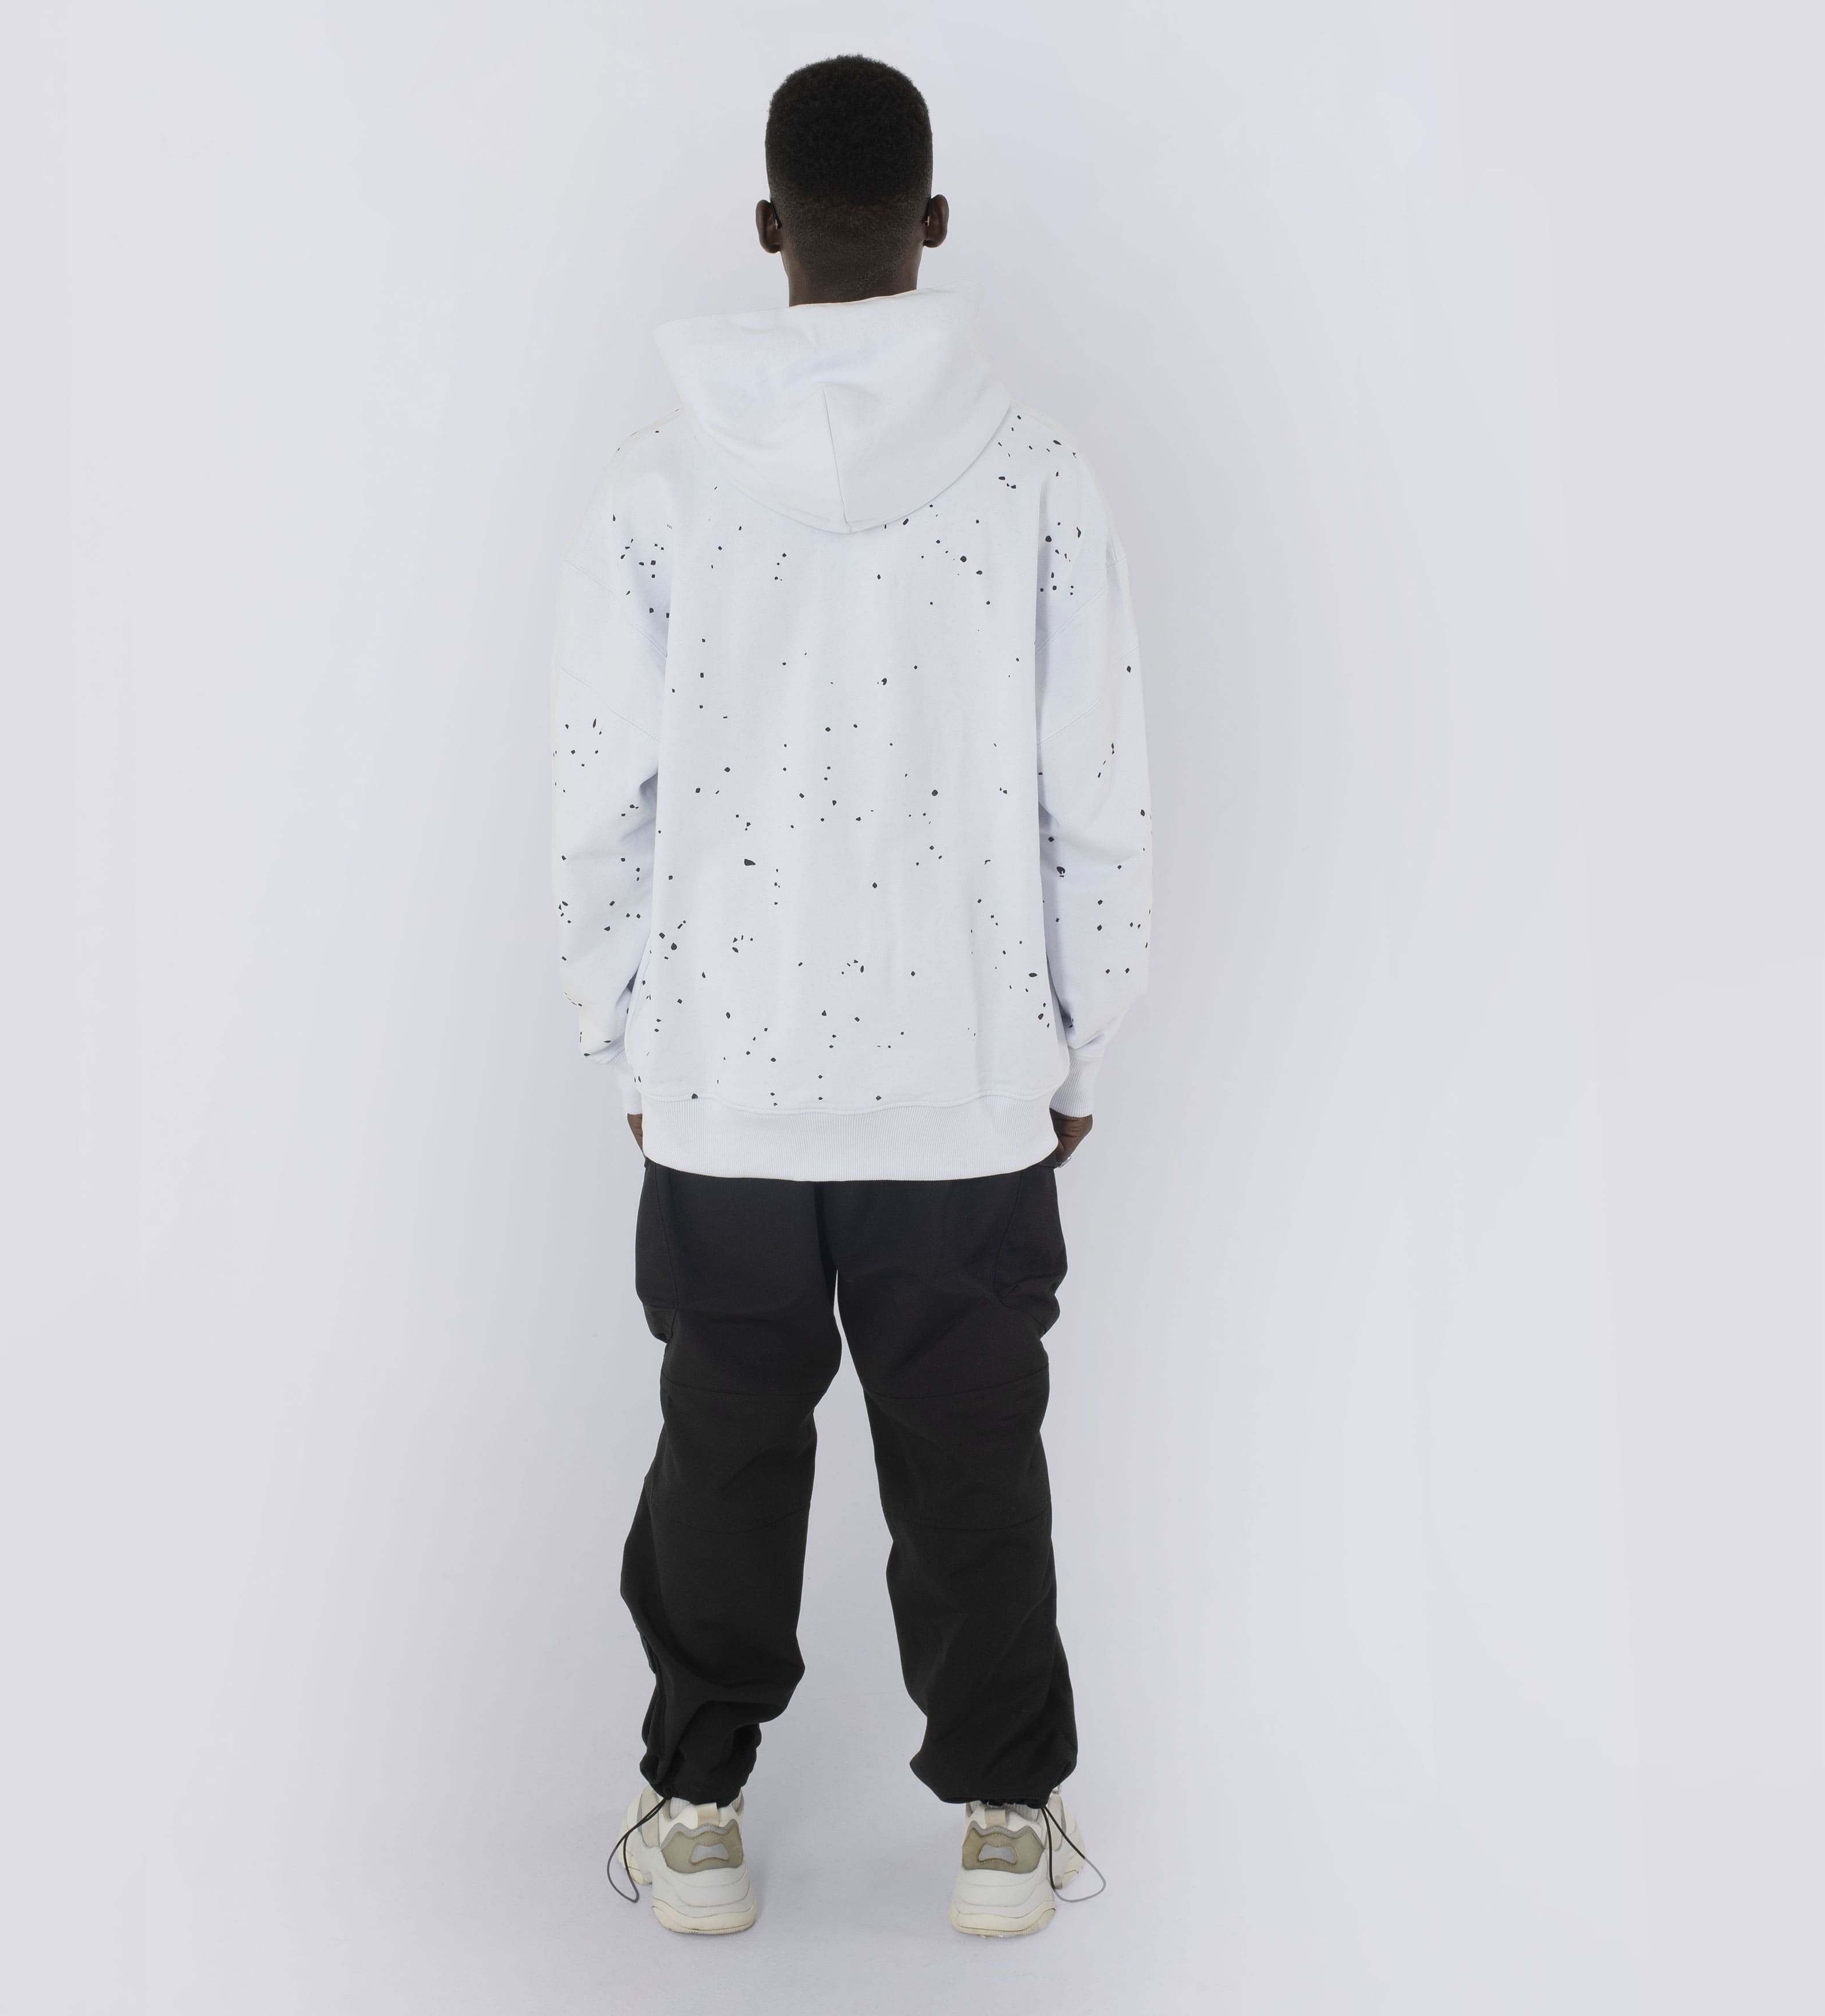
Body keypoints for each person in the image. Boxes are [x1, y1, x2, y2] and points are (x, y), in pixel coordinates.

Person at [549, 52, 1151, 1939]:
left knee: (722, 1443)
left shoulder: (658, 480)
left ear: (767, 227)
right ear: (933, 223)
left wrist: (624, 1027)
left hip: (723, 1079)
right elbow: (1094, 791)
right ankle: (1004, 1819)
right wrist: (1077, 1036)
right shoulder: (1037, 476)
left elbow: (598, 794)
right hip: (963, 1079)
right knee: (970, 1449)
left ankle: (696, 1809)